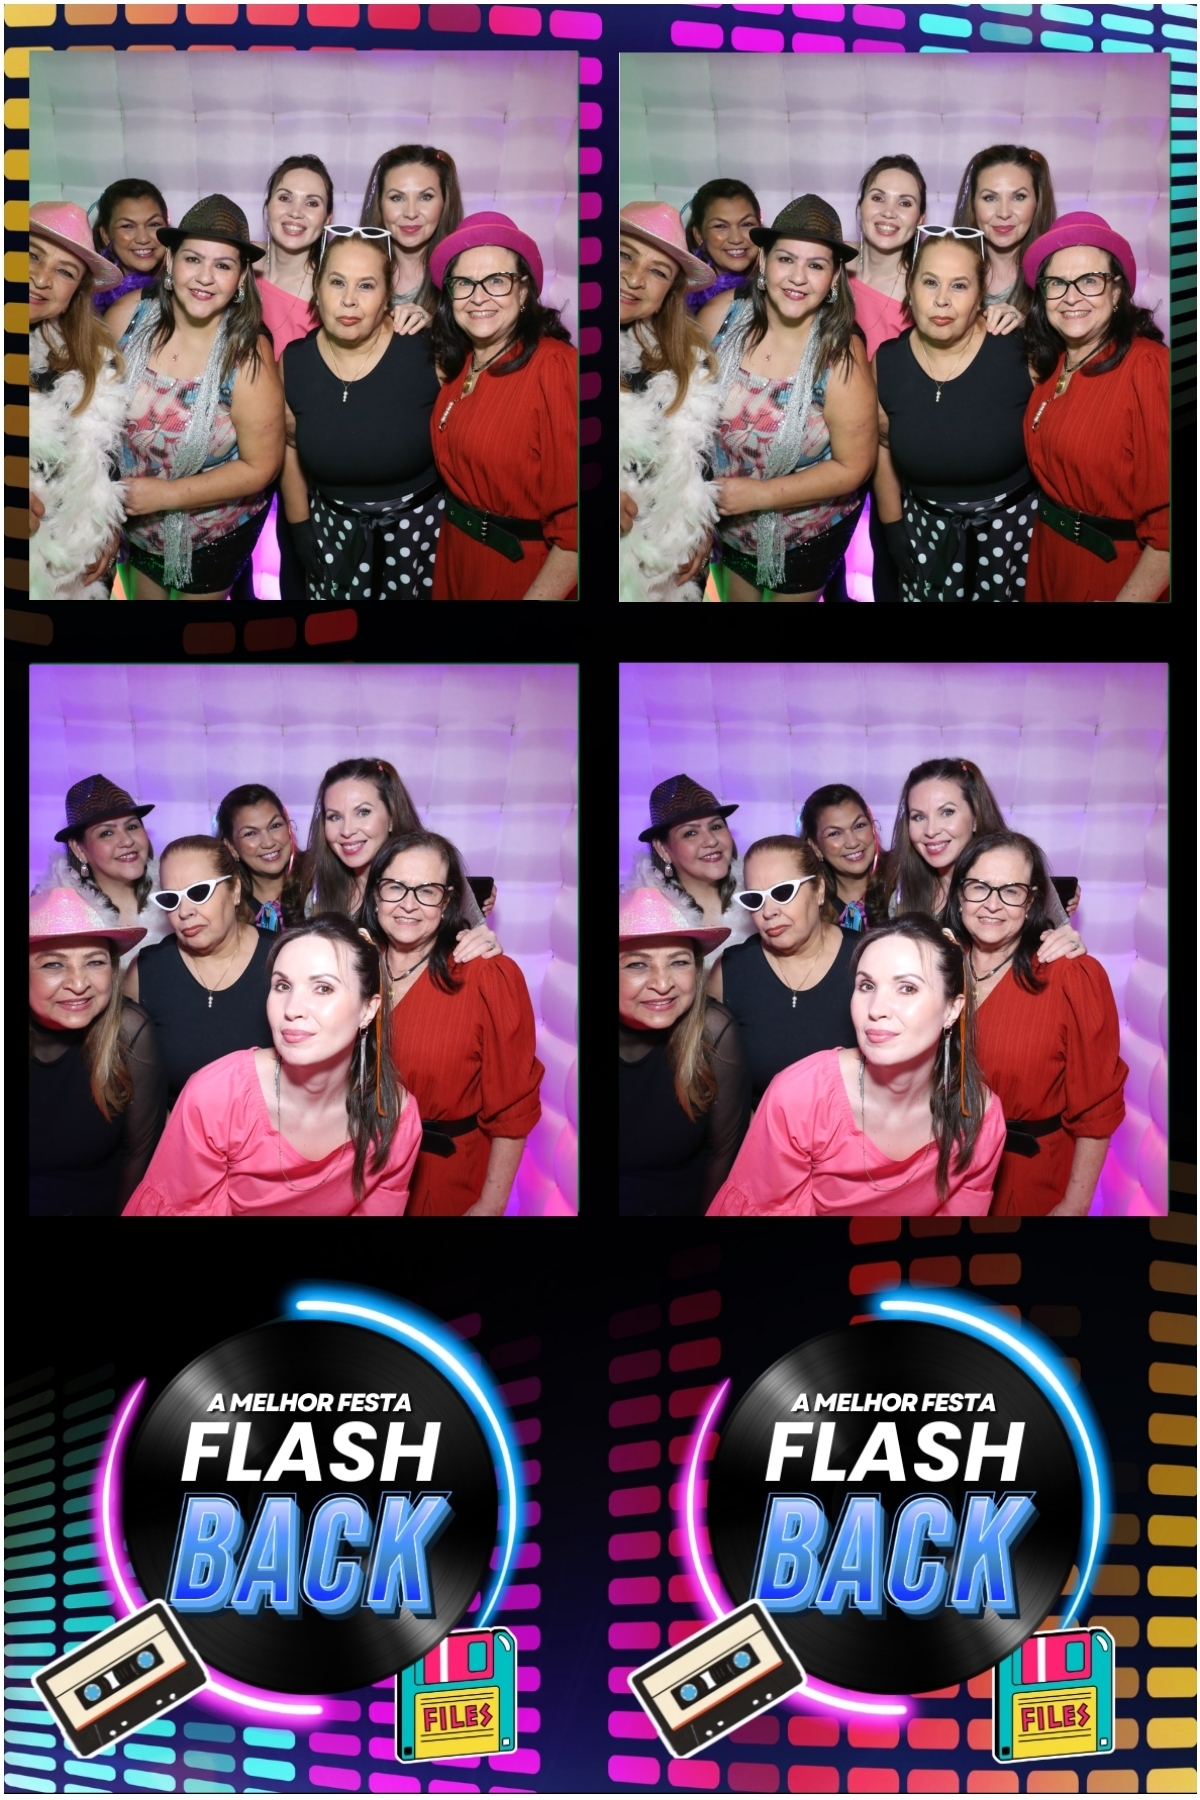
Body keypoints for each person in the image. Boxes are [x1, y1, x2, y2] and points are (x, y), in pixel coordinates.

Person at [708, 915, 1005, 1216]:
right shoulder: (801, 1097)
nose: (876, 1009)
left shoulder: (981, 1116)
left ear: (952, 1009)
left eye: (907, 988)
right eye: (866, 985)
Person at [122, 915, 420, 1216]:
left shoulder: (396, 1117)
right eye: (282, 985)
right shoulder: (217, 1097)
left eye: (323, 988)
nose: (292, 1009)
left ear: (368, 1009)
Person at [103, 194, 284, 600]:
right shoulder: (126, 318)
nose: (205, 277)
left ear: (241, 278)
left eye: (223, 265)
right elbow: (90, 418)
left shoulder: (248, 355)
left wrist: (165, 495)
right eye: (193, 259)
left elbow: (261, 466)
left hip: (212, 532)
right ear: (169, 261)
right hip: (135, 522)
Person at [697, 195, 877, 602]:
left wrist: (758, 495)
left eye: (816, 265)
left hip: (806, 531)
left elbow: (854, 466)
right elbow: (683, 417)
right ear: (763, 261)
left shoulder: (841, 355)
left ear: (834, 278)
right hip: (728, 522)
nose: (798, 277)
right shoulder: (719, 318)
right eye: (786, 259)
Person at [945, 833, 1127, 1217]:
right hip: (944, 1170)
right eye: (978, 887)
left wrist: (1074, 1205)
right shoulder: (936, 965)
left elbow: (1097, 1108)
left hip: (1028, 1178)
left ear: (1030, 903)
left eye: (1011, 891)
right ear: (959, 895)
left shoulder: (1071, 976)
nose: (992, 903)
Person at [362, 832, 542, 1216]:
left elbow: (513, 1108)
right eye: (394, 887)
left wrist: (490, 1205)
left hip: (444, 1178)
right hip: (359, 1169)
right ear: (375, 895)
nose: (408, 903)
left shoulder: (487, 976)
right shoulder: (352, 964)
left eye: (427, 891)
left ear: (446, 903)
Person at [873, 228, 1038, 603]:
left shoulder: (1019, 352)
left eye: (959, 286)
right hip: (925, 534)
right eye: (930, 282)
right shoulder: (886, 362)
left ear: (980, 296)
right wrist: (892, 524)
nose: (942, 300)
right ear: (910, 288)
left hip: (1014, 536)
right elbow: (882, 445)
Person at [280, 229, 442, 601]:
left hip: (422, 534)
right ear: (317, 288)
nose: (349, 299)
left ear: (387, 296)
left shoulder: (426, 352)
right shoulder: (293, 361)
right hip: (332, 534)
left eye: (366, 286)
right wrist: (299, 523)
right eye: (337, 282)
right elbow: (289, 444)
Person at [1022, 212, 1169, 603]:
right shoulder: (1053, 365)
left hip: (1113, 574)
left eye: (1090, 280)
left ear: (1116, 291)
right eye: (1057, 283)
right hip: (1050, 559)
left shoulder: (1148, 367)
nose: (1071, 297)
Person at [429, 212, 578, 599]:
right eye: (464, 283)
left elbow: (577, 529)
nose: (478, 297)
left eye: (497, 280)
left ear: (524, 291)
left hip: (518, 573)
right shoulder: (462, 362)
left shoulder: (556, 367)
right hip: (456, 557)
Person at [29, 888, 167, 1217]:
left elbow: (139, 1154)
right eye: (53, 964)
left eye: (94, 962)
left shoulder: (129, 1032)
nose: (79, 984)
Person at [619, 888, 750, 1216]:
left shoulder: (714, 1031)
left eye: (679, 962)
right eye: (638, 964)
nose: (663, 984)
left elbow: (724, 1154)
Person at [122, 837, 274, 1106]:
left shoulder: (283, 958)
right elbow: (132, 1088)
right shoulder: (147, 971)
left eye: (199, 892)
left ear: (235, 890)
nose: (184, 911)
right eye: (171, 899)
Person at [619, 201, 721, 602]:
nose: (634, 278)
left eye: (658, 271)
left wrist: (697, 525)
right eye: (625, 255)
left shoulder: (685, 363)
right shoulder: (561, 355)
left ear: (667, 295)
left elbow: (697, 461)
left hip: (664, 576)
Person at [708, 837, 857, 1108]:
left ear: (819, 890)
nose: (768, 912)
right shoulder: (731, 972)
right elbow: (716, 1088)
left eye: (783, 892)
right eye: (755, 899)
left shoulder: (867, 959)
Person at [28, 201, 126, 599]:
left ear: (74, 295)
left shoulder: (88, 363)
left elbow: (103, 459)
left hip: (71, 577)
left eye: (65, 271)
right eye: (32, 254)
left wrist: (104, 523)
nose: (41, 278)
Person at [251, 154, 335, 602]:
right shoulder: (234, 271)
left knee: (302, 574)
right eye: (285, 198)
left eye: (312, 202)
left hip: (306, 458)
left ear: (328, 218)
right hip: (234, 452)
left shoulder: (335, 288)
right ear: (267, 206)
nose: (296, 212)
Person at [883, 756, 1080, 944]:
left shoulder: (1024, 877)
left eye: (947, 812)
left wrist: (1068, 943)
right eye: (919, 817)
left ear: (976, 817)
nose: (931, 830)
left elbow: (1063, 940)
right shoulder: (903, 899)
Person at [844, 155, 926, 603]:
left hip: (899, 461)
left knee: (894, 574)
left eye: (905, 202)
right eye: (878, 197)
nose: (889, 212)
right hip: (827, 453)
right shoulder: (827, 271)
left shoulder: (927, 289)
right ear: (860, 206)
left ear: (921, 218)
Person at [299, 757, 494, 943]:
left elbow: (479, 940)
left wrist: (484, 943)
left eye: (363, 812)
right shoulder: (319, 898)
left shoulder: (439, 877)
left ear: (391, 817)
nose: (347, 830)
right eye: (335, 817)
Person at [33, 774, 170, 968]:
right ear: (78, 849)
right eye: (106, 833)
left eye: (132, 826)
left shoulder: (175, 891)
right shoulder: (53, 913)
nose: (127, 841)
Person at [622, 774, 755, 966]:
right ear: (662, 849)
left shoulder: (762, 894)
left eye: (716, 826)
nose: (711, 841)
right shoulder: (639, 917)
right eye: (690, 833)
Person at [360, 142, 463, 322]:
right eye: (397, 198)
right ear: (380, 204)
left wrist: (432, 330)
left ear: (444, 203)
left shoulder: (462, 276)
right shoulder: (354, 270)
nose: (411, 213)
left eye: (425, 197)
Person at [953, 144, 1056, 326]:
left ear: (1037, 203)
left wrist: (1025, 332)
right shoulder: (948, 270)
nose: (1004, 213)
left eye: (1018, 197)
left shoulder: (1054, 277)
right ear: (973, 204)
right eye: (990, 198)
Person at [797, 784, 886, 931]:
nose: (852, 842)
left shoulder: (903, 884)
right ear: (815, 847)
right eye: (834, 833)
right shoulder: (810, 908)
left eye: (859, 826)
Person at [216, 784, 302, 932]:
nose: (268, 843)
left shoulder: (318, 885)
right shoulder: (226, 908)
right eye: (250, 833)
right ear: (231, 847)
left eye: (275, 826)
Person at [682, 178, 763, 314]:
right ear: (699, 235)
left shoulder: (778, 289)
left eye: (747, 224)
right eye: (720, 226)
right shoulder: (676, 295)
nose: (736, 239)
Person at [90, 179, 170, 317]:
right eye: (127, 226)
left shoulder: (185, 288)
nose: (143, 239)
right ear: (106, 235)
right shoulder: (84, 295)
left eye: (154, 224)